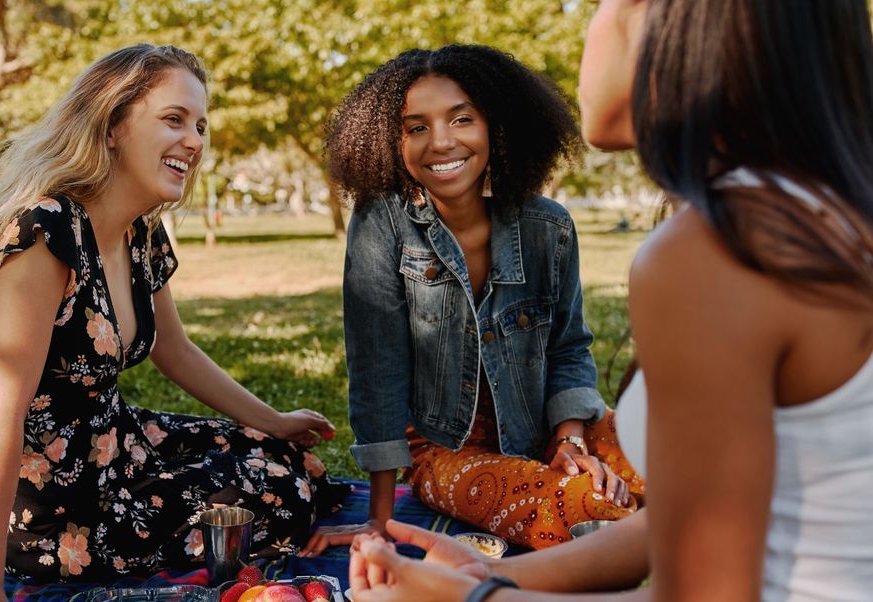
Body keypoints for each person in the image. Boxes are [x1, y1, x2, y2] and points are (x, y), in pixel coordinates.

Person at [348, 1, 873, 600]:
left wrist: (468, 599)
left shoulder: (714, 251)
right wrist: (489, 573)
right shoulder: (818, 214)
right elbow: (670, 527)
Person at [0, 44, 351, 598]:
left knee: (286, 456)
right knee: (278, 492)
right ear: (113, 125)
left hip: (122, 445)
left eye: (201, 125)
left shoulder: (142, 231)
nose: (195, 141)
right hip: (62, 510)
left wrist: (276, 420)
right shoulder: (46, 232)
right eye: (174, 119)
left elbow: (176, 350)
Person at [304, 44, 643, 557]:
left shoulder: (548, 227)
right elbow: (377, 373)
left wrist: (571, 443)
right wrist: (379, 520)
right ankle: (630, 523)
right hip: (446, 451)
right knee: (580, 505)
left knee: (685, 456)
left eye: (461, 119)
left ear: (495, 126)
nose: (440, 142)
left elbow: (569, 348)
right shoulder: (382, 224)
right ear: (389, 142)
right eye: (416, 127)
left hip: (549, 426)